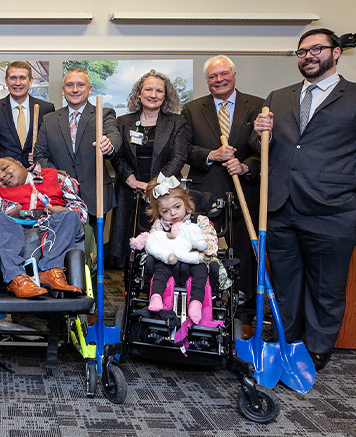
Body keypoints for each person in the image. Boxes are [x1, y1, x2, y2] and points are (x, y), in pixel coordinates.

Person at [252, 28, 356, 371]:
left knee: (325, 289)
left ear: (336, 52)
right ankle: (288, 341)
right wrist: (259, 136)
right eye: (302, 52)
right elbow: (268, 152)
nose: (309, 56)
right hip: (281, 208)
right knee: (285, 285)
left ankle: (316, 351)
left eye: (317, 49)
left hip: (334, 212)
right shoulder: (279, 96)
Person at [182, 55, 264, 331]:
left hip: (245, 193)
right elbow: (185, 150)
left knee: (243, 252)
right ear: (207, 81)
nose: (219, 80)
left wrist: (245, 166)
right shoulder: (192, 110)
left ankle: (244, 311)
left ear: (234, 75)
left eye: (223, 74)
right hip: (205, 192)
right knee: (203, 250)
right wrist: (212, 155)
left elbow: (263, 150)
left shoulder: (257, 106)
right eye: (213, 77)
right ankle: (203, 304)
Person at [108, 69, 187, 269]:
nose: (153, 95)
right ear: (139, 93)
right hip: (129, 191)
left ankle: (158, 289)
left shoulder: (176, 122)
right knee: (128, 247)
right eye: (148, 89)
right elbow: (116, 155)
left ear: (165, 96)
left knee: (162, 246)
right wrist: (131, 180)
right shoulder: (123, 122)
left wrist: (154, 186)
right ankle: (128, 292)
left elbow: (179, 157)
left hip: (164, 192)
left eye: (159, 91)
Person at [33, 67, 121, 237]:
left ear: (89, 89)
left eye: (80, 85)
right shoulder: (50, 119)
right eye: (70, 85)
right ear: (63, 90)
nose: (75, 90)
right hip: (59, 197)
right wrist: (62, 177)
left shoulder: (103, 114)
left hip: (95, 197)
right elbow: (40, 156)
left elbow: (113, 136)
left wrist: (108, 144)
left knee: (92, 253)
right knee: (62, 249)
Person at [0, 157, 87, 297]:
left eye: (4, 168)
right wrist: (11, 208)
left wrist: (58, 210)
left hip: (52, 227)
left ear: (19, 163)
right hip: (14, 231)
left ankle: (51, 272)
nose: (2, 176)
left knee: (69, 216)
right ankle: (17, 279)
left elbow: (81, 211)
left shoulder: (56, 177)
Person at [131, 175, 218, 324]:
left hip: (193, 262)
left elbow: (210, 243)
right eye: (165, 211)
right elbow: (153, 243)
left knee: (202, 268)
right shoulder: (160, 225)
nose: (173, 214)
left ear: (186, 203)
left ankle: (196, 303)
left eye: (177, 207)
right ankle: (156, 298)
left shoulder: (199, 221)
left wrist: (196, 245)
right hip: (170, 263)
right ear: (159, 213)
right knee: (159, 266)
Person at [0, 61, 54, 166]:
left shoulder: (46, 109)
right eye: (13, 78)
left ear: (30, 81)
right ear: (6, 81)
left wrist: (39, 155)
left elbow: (52, 145)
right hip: (4, 175)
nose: (17, 83)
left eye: (22, 78)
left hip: (37, 175)